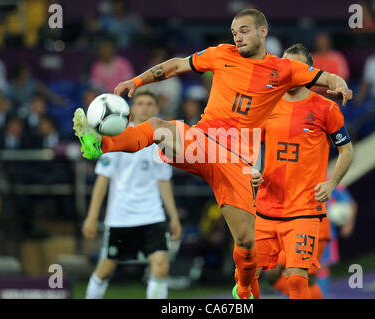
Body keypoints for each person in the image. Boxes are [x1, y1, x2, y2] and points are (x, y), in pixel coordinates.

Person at [73, 8, 352, 299]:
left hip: (236, 164)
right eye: (234, 32)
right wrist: (138, 81)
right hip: (204, 143)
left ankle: (244, 288)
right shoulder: (221, 54)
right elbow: (178, 65)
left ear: (262, 31)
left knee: (245, 243)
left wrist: (339, 84)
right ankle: (100, 144)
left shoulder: (283, 69)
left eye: (244, 31)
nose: (238, 37)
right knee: (157, 127)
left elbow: (325, 77)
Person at [251, 43, 354, 299]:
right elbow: (250, 143)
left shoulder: (326, 108)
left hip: (306, 210)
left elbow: (347, 151)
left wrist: (331, 185)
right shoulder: (267, 104)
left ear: (309, 72)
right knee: (269, 273)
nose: (290, 71)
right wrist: (252, 169)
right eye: (285, 65)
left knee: (297, 278)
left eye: (297, 66)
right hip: (270, 208)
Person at [82, 90, 182, 299]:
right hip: (121, 216)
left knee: (161, 266)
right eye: (140, 103)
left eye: (149, 104)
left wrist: (173, 217)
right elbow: (102, 179)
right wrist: (92, 217)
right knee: (105, 270)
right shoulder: (118, 135)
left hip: (152, 214)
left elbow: (163, 182)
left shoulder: (162, 140)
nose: (144, 107)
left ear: (156, 109)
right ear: (131, 110)